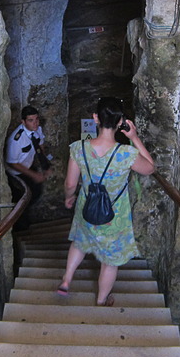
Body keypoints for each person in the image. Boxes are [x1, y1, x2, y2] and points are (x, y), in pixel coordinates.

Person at [56, 97, 155, 306]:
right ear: (121, 123)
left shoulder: (78, 148)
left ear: (95, 118)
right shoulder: (126, 154)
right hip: (114, 215)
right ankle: (101, 300)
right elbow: (150, 168)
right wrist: (135, 138)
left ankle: (66, 280)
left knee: (80, 242)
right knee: (110, 261)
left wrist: (69, 198)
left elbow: (70, 183)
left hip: (86, 207)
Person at [5, 105, 52, 214]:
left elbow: (40, 146)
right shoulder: (16, 140)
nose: (35, 123)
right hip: (16, 172)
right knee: (21, 199)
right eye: (31, 120)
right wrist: (34, 175)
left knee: (36, 191)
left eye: (37, 119)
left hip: (28, 165)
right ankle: (21, 224)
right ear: (23, 122)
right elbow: (12, 163)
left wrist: (46, 165)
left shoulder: (37, 129)